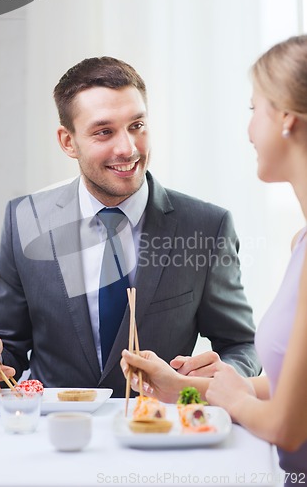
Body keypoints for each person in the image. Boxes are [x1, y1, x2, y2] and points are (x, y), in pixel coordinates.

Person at [0, 56, 260, 397]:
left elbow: (241, 345)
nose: (128, 148)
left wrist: (225, 373)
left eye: (137, 125)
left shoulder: (207, 227)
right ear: (67, 141)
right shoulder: (24, 221)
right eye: (104, 131)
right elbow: (8, 351)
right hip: (54, 436)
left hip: (158, 435)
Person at [121, 36, 307, 481]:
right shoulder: (301, 241)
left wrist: (233, 400)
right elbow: (293, 392)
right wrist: (183, 386)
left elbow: (287, 426)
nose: (247, 131)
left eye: (253, 110)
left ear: (285, 118)